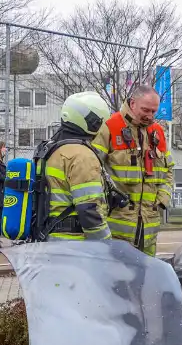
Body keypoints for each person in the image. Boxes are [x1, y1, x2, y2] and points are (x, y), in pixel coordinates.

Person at [92, 84, 173, 255]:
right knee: (116, 279)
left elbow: (169, 171)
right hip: (116, 230)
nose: (150, 116)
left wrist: (163, 198)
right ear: (132, 103)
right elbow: (91, 170)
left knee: (146, 279)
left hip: (149, 230)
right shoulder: (109, 127)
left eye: (154, 111)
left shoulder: (157, 132)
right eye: (146, 110)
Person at [45, 92, 114, 241]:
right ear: (93, 122)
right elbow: (89, 209)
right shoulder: (82, 156)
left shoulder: (48, 149)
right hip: (73, 245)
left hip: (47, 238)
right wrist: (106, 244)